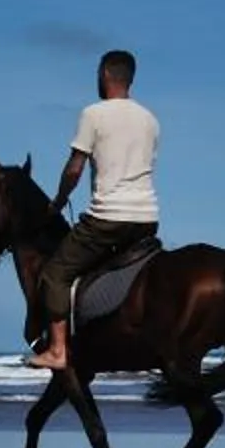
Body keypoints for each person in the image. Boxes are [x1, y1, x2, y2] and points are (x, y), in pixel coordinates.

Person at [24, 48, 160, 371]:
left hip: (107, 219)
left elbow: (74, 169)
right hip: (146, 220)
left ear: (104, 76)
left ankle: (58, 350)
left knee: (55, 273)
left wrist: (58, 201)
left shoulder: (93, 114)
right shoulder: (150, 121)